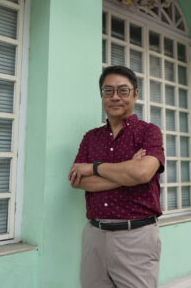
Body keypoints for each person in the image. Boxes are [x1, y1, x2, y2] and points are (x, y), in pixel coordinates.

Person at [68, 65, 165, 288]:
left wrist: (94, 167)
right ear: (101, 95)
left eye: (123, 91)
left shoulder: (149, 132)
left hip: (136, 236)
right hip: (94, 235)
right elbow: (77, 180)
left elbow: (142, 173)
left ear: (135, 94)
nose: (115, 97)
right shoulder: (91, 137)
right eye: (108, 91)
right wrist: (127, 169)